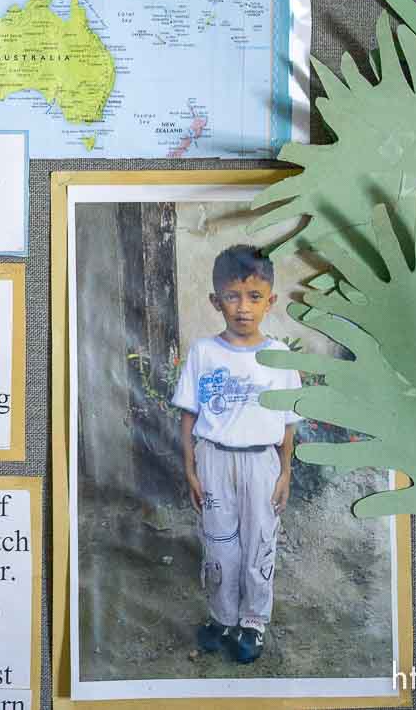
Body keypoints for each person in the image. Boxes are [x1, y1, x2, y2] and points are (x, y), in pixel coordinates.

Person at [170, 244, 300, 666]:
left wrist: (284, 473)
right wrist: (191, 469)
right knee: (220, 543)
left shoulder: (279, 357)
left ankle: (252, 622)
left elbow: (287, 421)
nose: (243, 308)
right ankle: (222, 618)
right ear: (216, 301)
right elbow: (189, 415)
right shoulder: (205, 353)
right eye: (232, 296)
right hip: (215, 461)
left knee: (259, 543)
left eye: (254, 296)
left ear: (270, 301)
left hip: (262, 462)